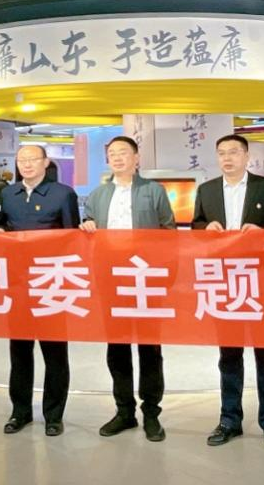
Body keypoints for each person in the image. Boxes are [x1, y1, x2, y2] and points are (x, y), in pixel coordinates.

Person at [192, 133, 264, 452]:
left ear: (247, 156)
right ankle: (229, 420)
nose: (227, 158)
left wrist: (263, 232)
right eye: (221, 153)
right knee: (229, 355)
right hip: (224, 282)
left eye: (234, 152)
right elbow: (195, 226)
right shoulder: (206, 190)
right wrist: (205, 229)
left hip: (261, 281)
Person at [81, 135, 175, 442]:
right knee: (117, 347)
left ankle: (151, 413)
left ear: (136, 158)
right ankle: (124, 411)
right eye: (112, 153)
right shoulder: (98, 194)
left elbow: (169, 232)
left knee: (150, 348)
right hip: (112, 280)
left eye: (124, 152)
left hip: (146, 279)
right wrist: (87, 225)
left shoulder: (153, 190)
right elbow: (87, 228)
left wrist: (165, 277)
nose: (118, 157)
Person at [0, 143, 81, 437]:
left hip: (51, 283)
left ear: (46, 162)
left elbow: (72, 238)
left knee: (54, 353)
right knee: (19, 351)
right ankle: (20, 412)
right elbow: (3, 227)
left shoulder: (63, 194)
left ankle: (53, 415)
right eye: (22, 159)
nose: (27, 164)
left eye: (33, 159)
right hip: (17, 284)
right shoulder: (8, 194)